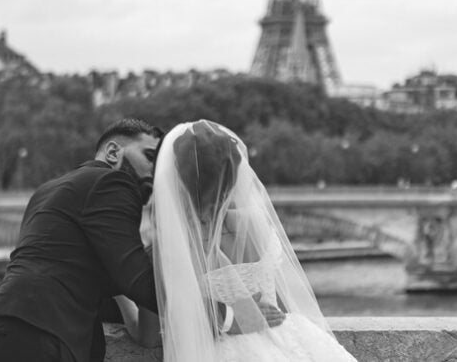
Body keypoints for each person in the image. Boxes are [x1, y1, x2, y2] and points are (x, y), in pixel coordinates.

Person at [118, 119, 358, 361]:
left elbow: (148, 337)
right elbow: (279, 310)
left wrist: (119, 297)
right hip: (287, 343)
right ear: (234, 174)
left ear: (174, 177)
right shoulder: (256, 224)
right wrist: (246, 315)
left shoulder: (169, 247)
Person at [0, 117, 164, 362]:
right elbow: (140, 282)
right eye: (149, 157)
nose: (154, 171)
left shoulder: (47, 190)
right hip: (37, 341)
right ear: (112, 151)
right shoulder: (113, 183)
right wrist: (209, 310)